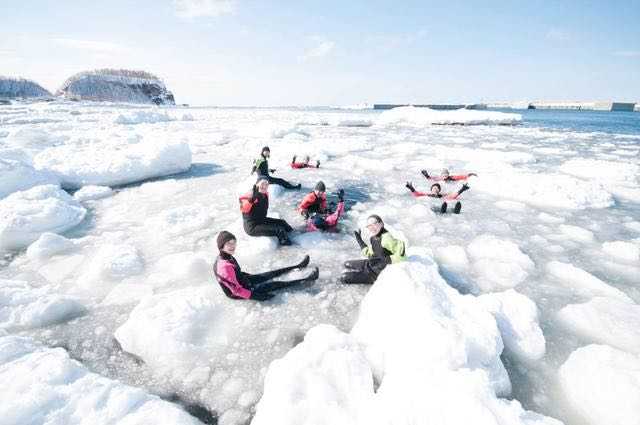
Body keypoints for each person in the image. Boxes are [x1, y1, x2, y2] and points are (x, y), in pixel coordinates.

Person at [213, 231, 319, 301]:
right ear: (221, 246)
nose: (232, 246)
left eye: (233, 242)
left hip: (242, 280)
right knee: (276, 284)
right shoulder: (224, 267)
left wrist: (245, 276)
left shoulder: (226, 256)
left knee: (270, 274)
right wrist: (256, 296)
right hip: (241, 291)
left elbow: (235, 272)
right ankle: (307, 279)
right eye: (229, 244)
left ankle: (298, 266)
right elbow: (236, 291)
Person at [340, 215, 406, 284]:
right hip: (370, 264)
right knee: (346, 264)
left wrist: (386, 260)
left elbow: (402, 256)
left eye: (374, 224)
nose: (372, 227)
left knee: (344, 277)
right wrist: (360, 241)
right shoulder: (374, 238)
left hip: (375, 274)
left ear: (381, 224)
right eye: (369, 226)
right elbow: (370, 253)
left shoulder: (387, 238)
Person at [240, 178, 294, 245]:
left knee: (283, 223)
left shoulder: (265, 194)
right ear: (257, 184)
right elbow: (243, 208)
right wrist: (250, 200)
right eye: (262, 184)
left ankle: (295, 236)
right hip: (252, 226)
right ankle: (288, 248)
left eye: (266, 184)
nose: (264, 186)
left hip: (261, 220)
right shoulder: (250, 195)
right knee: (279, 230)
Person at [405, 181, 470, 214]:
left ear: (439, 190)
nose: (435, 189)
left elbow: (452, 196)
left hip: (441, 205)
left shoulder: (441, 196)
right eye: (434, 188)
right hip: (432, 209)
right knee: (435, 208)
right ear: (431, 189)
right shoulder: (427, 195)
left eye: (437, 189)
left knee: (447, 207)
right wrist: (411, 188)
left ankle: (455, 211)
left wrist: (462, 189)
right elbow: (417, 194)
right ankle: (443, 210)